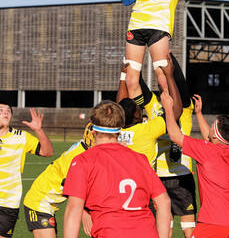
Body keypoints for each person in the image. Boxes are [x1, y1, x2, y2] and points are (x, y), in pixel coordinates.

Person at [63, 100, 171, 238]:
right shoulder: (140, 159)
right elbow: (164, 202)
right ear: (121, 128)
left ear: (93, 128)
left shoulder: (83, 161)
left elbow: (74, 210)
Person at [161, 92, 229, 238]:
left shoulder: (207, 151)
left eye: (213, 126)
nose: (210, 128)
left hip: (214, 222)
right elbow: (212, 137)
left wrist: (168, 109)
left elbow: (175, 136)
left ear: (215, 135)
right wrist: (198, 113)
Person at [140, 53, 197, 238]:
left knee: (189, 228)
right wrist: (135, 61)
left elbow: (180, 82)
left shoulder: (185, 106)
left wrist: (167, 60)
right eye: (159, 80)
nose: (161, 81)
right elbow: (139, 85)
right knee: (165, 227)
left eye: (164, 77)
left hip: (182, 176)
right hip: (159, 177)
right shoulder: (154, 104)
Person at [23, 122, 94, 238]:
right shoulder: (78, 157)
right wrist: (85, 213)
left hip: (48, 203)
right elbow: (73, 190)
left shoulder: (85, 149)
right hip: (39, 202)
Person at [116, 54, 182, 169]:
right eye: (137, 107)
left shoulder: (116, 131)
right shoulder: (146, 130)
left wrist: (124, 76)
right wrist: (170, 76)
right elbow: (176, 111)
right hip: (147, 182)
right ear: (137, 115)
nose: (139, 107)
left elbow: (121, 105)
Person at [0, 104, 53, 238]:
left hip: (7, 204)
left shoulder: (21, 137)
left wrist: (39, 130)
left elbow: (47, 152)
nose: (5, 113)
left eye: (8, 111)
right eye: (1, 111)